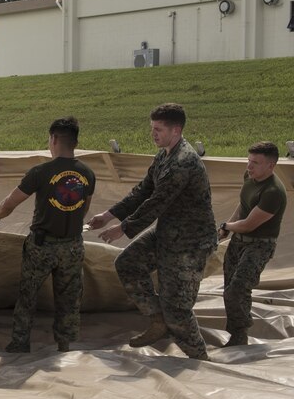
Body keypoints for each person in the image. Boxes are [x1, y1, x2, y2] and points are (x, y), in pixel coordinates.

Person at [87, 103, 216, 360]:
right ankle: (158, 320)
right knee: (128, 263)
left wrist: (123, 228)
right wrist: (109, 215)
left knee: (177, 308)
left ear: (176, 130)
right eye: (152, 128)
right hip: (167, 232)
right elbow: (143, 190)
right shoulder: (165, 155)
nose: (153, 134)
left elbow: (156, 203)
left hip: (190, 243)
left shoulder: (183, 162)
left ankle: (200, 359)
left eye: (158, 129)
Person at [0, 117, 96, 353]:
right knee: (69, 298)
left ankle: (20, 342)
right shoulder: (87, 173)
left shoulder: (40, 172)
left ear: (54, 139)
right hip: (73, 246)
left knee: (28, 296)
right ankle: (64, 345)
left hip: (42, 246)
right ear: (75, 142)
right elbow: (84, 208)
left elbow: (10, 203)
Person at [217, 141, 287, 347]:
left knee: (237, 289)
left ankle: (240, 332)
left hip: (259, 245)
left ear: (271, 166)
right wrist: (225, 230)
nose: (249, 166)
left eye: (255, 163)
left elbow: (248, 225)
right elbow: (244, 204)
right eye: (249, 161)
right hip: (238, 241)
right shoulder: (250, 176)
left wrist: (226, 225)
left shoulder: (274, 192)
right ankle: (238, 334)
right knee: (230, 288)